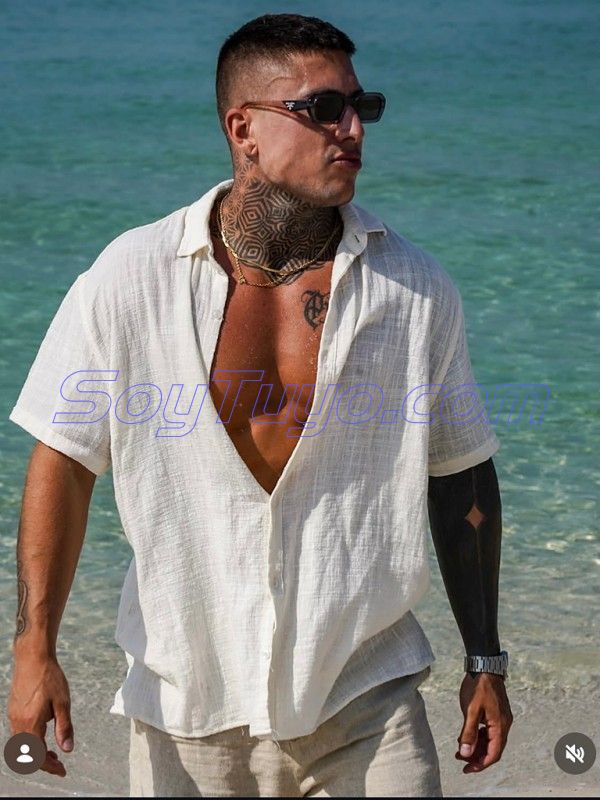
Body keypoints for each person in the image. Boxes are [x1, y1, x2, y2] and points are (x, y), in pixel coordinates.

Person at [7, 13, 513, 798]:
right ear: (243, 128)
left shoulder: (414, 291)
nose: (352, 130)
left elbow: (460, 475)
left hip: (364, 702)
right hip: (187, 708)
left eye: (362, 107)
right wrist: (34, 648)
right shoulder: (130, 278)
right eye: (323, 109)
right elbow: (65, 463)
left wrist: (485, 658)